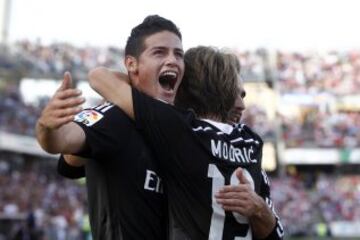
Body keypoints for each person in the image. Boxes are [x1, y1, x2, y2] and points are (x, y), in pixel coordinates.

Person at [87, 46, 284, 239]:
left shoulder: (181, 130)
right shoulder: (251, 142)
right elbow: (276, 236)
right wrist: (259, 209)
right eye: (237, 93)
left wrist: (149, 81)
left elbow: (100, 78)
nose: (241, 105)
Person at [36, 15, 185, 239]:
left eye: (178, 54)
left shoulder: (185, 124)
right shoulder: (114, 117)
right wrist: (46, 126)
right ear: (131, 65)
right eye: (159, 52)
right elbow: (61, 141)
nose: (173, 60)